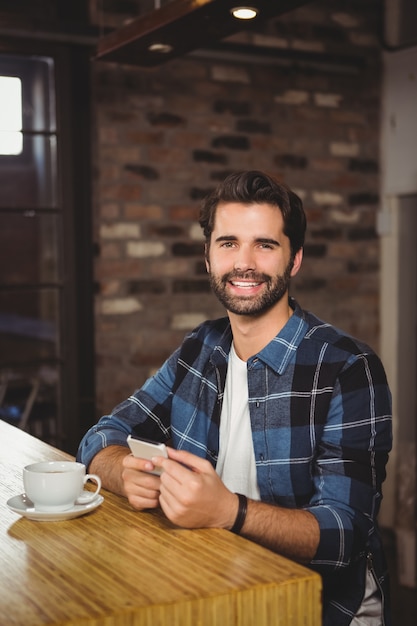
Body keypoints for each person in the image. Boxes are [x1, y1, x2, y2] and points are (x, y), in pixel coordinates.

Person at [77, 170, 392, 626]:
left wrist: (229, 511)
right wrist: (124, 472)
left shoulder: (347, 367)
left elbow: (345, 534)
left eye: (264, 245)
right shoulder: (199, 348)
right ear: (208, 257)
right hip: (217, 586)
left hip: (324, 611)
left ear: (295, 259)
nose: (244, 263)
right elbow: (101, 435)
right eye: (228, 243)